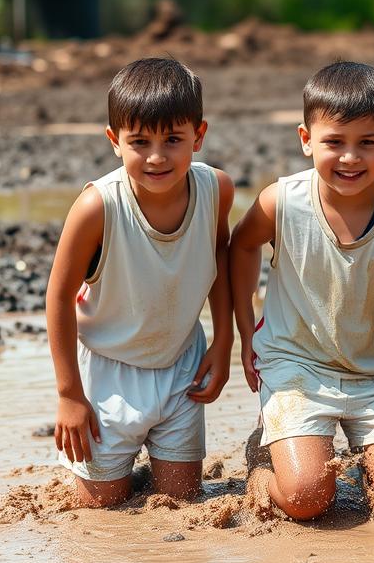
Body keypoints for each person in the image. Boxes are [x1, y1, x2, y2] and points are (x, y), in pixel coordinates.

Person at [230, 60, 374, 524]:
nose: (350, 158)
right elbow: (241, 246)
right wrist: (243, 331)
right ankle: (263, 467)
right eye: (334, 142)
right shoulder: (283, 202)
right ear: (306, 139)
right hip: (297, 366)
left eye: (367, 143)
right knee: (307, 497)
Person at [46, 57, 234, 508]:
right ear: (115, 141)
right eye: (139, 141)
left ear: (199, 136)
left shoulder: (217, 191)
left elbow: (220, 264)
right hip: (109, 372)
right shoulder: (97, 207)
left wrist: (224, 342)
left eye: (173, 139)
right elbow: (56, 297)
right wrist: (70, 394)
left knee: (182, 500)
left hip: (182, 367)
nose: (156, 156)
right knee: (102, 509)